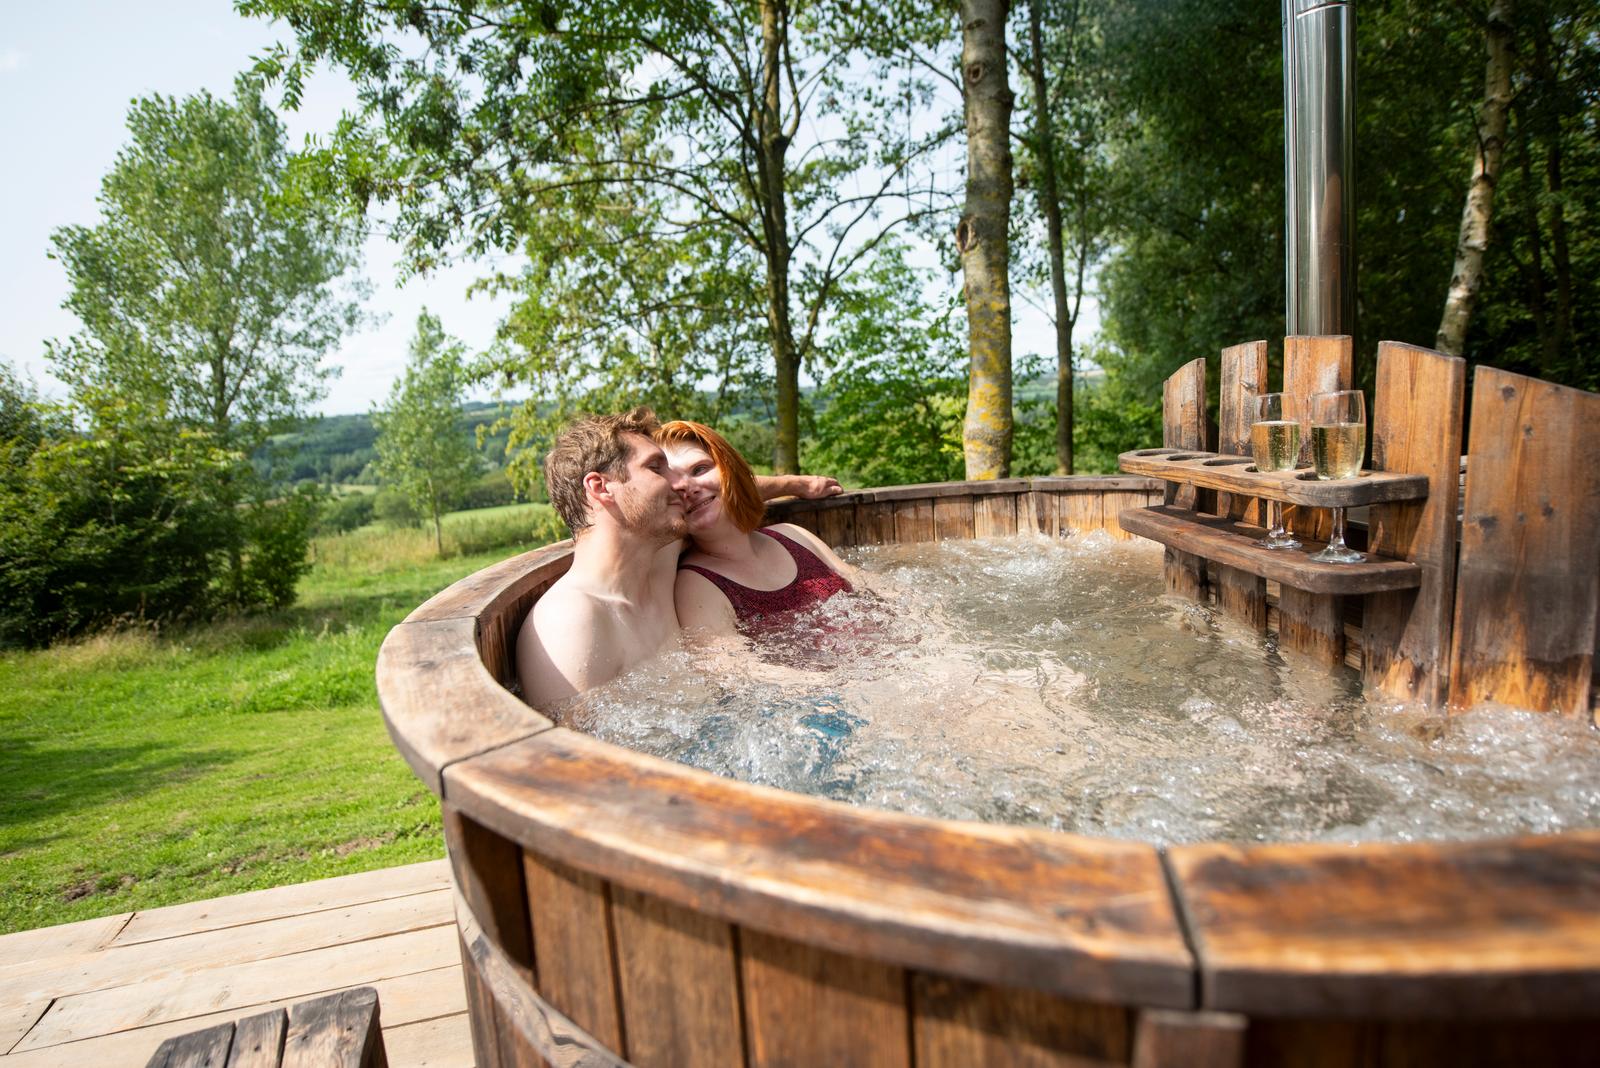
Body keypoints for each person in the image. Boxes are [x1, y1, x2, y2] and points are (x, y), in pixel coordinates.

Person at [516, 408, 839, 709]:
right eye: (656, 468)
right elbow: (576, 762)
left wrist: (798, 484)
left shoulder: (658, 562)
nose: (681, 484)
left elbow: (724, 490)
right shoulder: (570, 622)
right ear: (601, 487)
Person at [659, 419, 860, 642]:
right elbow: (735, 667)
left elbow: (871, 588)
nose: (687, 488)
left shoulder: (793, 534)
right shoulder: (694, 586)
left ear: (730, 470)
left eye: (699, 469)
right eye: (672, 488)